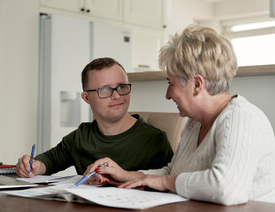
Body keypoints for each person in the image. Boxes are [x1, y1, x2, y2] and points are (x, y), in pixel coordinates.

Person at [85, 25, 275, 205]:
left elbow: (226, 189)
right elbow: (174, 173)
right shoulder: (194, 123)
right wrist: (127, 175)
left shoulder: (243, 118)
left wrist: (163, 181)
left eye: (171, 83)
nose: (168, 94)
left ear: (197, 84)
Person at [16, 57, 173, 178]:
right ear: (86, 98)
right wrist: (33, 166)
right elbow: (50, 160)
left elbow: (167, 182)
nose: (117, 95)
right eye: (105, 90)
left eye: (121, 87)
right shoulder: (81, 137)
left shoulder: (155, 140)